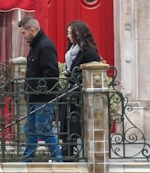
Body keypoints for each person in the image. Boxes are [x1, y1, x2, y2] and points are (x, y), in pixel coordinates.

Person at [18, 16, 63, 162]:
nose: (23, 37)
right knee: (30, 129)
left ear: (32, 30)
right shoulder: (37, 45)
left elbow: (51, 73)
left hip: (43, 97)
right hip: (34, 96)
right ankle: (27, 158)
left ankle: (58, 159)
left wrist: (38, 90)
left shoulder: (45, 46)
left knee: (43, 128)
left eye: (24, 33)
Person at [60, 20, 102, 161]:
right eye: (68, 33)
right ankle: (67, 150)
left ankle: (73, 151)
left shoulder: (89, 51)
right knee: (66, 122)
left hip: (80, 94)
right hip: (70, 91)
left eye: (71, 33)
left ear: (79, 33)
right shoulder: (72, 49)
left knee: (75, 124)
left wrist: (72, 75)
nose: (68, 36)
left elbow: (92, 72)